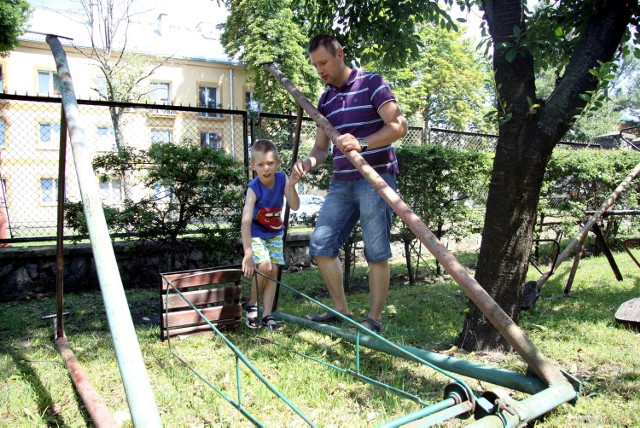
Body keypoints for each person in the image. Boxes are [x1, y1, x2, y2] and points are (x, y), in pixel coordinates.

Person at [291, 34, 407, 334]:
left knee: (376, 251)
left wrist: (362, 143)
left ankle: (374, 320)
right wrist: (308, 163)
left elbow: (399, 126)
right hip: (342, 183)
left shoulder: (372, 83)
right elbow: (320, 149)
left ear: (340, 54)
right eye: (315, 65)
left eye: (324, 62)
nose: (320, 70)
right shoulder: (326, 99)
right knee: (321, 245)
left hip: (376, 178)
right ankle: (339, 310)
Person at [241, 139, 300, 330]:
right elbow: (246, 222)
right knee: (265, 266)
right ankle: (252, 304)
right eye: (260, 165)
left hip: (275, 234)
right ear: (252, 166)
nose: (266, 168)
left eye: (270, 163)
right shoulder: (253, 188)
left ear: (278, 162)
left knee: (273, 272)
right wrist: (248, 253)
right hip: (256, 234)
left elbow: (296, 206)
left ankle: (267, 315)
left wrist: (291, 185)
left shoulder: (282, 179)